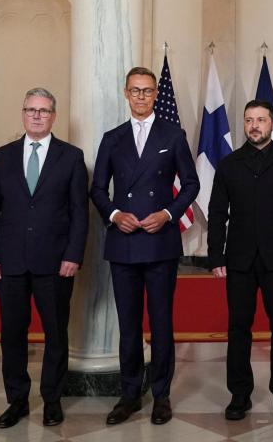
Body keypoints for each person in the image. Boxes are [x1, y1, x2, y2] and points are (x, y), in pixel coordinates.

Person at [91, 67, 200, 425]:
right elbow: (97, 189)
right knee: (128, 325)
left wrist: (168, 213)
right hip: (123, 241)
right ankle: (129, 394)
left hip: (160, 242)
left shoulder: (173, 134)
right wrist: (114, 213)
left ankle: (161, 396)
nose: (141, 97)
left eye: (147, 91)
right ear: (126, 93)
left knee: (162, 322)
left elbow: (190, 184)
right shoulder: (112, 138)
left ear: (156, 95)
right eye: (135, 91)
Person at [0, 88, 88, 428]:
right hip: (9, 262)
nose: (37, 115)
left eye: (43, 110)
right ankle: (17, 400)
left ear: (54, 116)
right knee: (12, 333)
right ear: (23, 114)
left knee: (56, 332)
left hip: (55, 263)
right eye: (30, 110)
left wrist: (73, 255)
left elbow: (79, 213)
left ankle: (52, 399)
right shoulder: (1, 156)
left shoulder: (71, 157)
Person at [208, 100, 273, 421]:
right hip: (238, 260)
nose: (254, 125)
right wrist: (215, 255)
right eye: (249, 120)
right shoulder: (229, 164)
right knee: (239, 327)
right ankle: (239, 395)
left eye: (261, 120)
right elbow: (216, 214)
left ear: (272, 123)